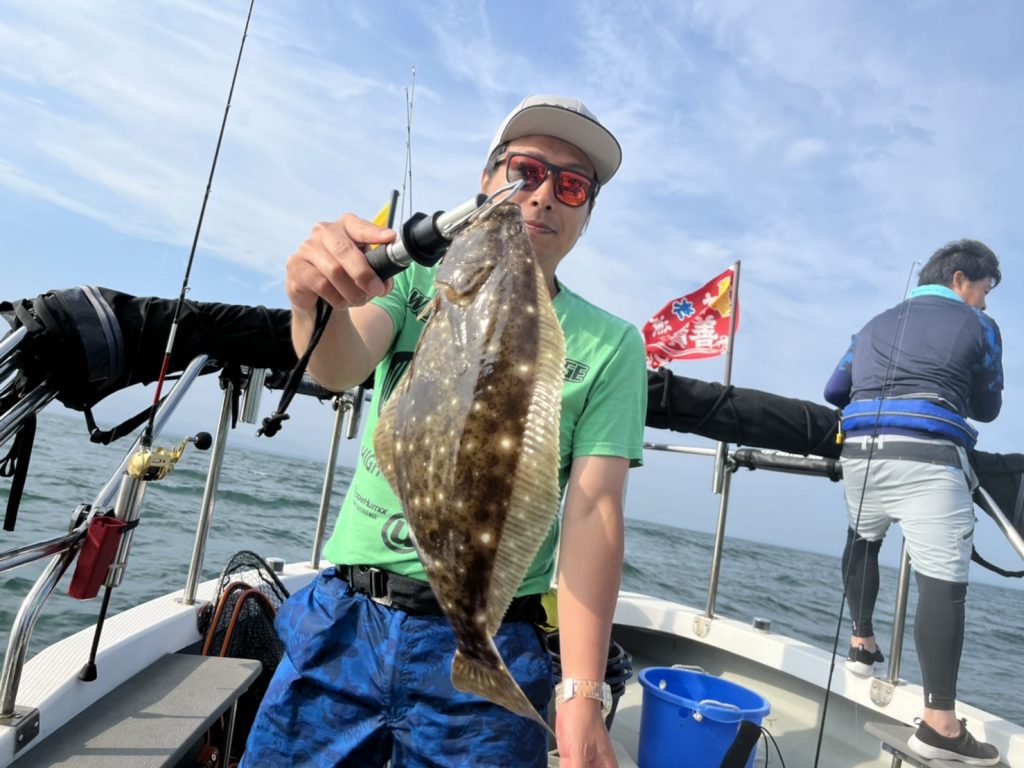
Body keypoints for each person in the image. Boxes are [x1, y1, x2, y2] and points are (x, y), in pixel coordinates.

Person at [240, 95, 648, 768]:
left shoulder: (611, 344)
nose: (542, 195)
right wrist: (313, 300)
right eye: (525, 171)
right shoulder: (414, 278)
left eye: (572, 186)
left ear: (585, 215)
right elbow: (337, 368)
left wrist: (581, 693)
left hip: (496, 631)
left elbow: (594, 510)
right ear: (486, 181)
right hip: (348, 616)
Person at [824, 239, 1003, 766]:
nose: (985, 302)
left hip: (860, 456)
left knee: (862, 539)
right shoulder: (981, 327)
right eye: (984, 290)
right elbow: (989, 406)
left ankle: (861, 645)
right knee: (943, 582)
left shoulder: (871, 325)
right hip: (928, 460)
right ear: (959, 279)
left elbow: (835, 389)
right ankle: (940, 725)